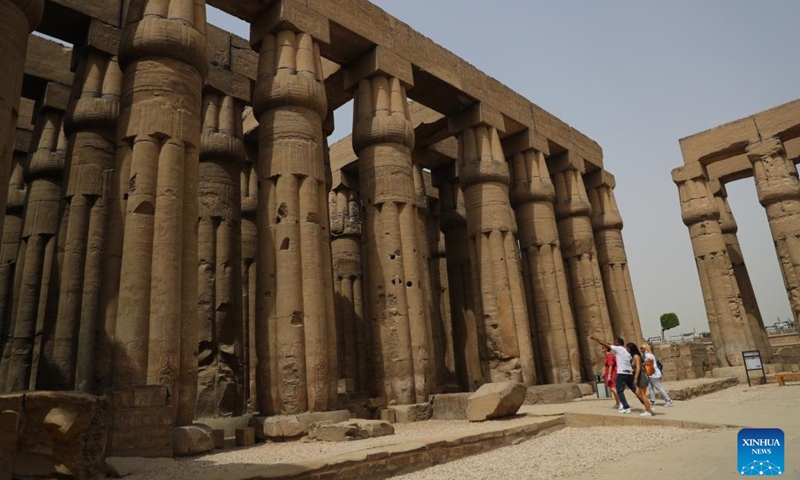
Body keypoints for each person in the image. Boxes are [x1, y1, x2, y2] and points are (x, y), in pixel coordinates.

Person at [590, 336, 638, 414]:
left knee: (617, 390)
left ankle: (624, 405)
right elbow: (608, 366)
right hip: (623, 372)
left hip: (616, 373)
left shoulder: (612, 354)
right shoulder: (623, 352)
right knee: (628, 389)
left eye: (603, 348)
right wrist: (604, 373)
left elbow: (611, 365)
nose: (602, 349)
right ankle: (619, 403)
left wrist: (609, 375)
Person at [627, 343, 654, 417]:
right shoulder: (633, 356)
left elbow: (638, 368)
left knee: (642, 394)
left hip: (641, 376)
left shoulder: (636, 356)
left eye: (628, 348)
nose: (627, 350)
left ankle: (648, 411)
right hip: (639, 375)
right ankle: (649, 407)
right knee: (637, 392)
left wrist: (635, 378)